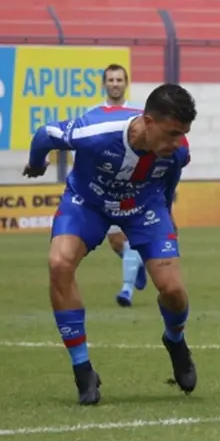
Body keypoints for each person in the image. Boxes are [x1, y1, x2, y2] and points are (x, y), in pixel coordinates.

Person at [24, 83, 197, 405]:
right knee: (59, 264)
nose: (178, 142)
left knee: (172, 290)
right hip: (87, 203)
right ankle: (82, 369)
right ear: (148, 121)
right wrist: (37, 163)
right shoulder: (97, 132)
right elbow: (45, 134)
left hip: (144, 208)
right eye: (172, 133)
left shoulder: (178, 151)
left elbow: (170, 180)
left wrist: (167, 214)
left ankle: (175, 340)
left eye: (183, 133)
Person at [89, 64, 149, 308]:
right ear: (104, 84)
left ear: (126, 83)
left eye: (119, 79)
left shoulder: (137, 115)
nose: (115, 83)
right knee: (116, 242)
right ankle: (137, 265)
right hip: (105, 188)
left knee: (132, 237)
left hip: (134, 187)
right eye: (110, 80)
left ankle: (126, 290)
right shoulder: (93, 114)